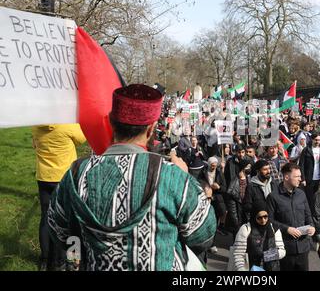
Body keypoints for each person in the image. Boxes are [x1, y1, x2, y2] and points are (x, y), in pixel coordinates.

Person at [47, 84, 216, 271]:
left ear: (111, 122)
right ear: (151, 129)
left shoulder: (76, 174)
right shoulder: (172, 176)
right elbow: (203, 236)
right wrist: (186, 181)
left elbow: (59, 232)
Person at [32, 124, 86, 271]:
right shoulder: (67, 126)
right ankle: (65, 261)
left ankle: (45, 260)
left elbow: (34, 145)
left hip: (44, 178)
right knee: (68, 219)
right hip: (64, 178)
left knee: (45, 217)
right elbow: (82, 138)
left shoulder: (36, 126)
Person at [267, 163, 315, 271]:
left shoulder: (301, 194)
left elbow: (308, 215)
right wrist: (287, 229)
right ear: (286, 177)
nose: (300, 179)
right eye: (297, 176)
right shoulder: (273, 197)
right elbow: (269, 221)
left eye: (300, 176)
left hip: (303, 248)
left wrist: (312, 226)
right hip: (285, 249)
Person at [232, 202, 286, 271]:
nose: (263, 220)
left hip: (272, 268)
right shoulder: (246, 229)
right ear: (254, 217)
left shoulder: (274, 228)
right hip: (251, 268)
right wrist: (242, 269)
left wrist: (266, 255)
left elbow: (282, 251)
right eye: (259, 218)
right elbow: (238, 254)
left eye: (265, 217)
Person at [198, 156, 227, 238]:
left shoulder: (219, 173)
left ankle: (220, 227)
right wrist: (205, 186)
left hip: (217, 196)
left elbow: (224, 187)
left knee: (222, 212)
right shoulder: (203, 172)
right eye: (212, 165)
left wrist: (218, 187)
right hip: (207, 196)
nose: (213, 167)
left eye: (215, 165)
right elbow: (198, 182)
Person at [225, 158, 253, 237]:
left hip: (247, 212)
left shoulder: (249, 179)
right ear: (243, 168)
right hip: (238, 213)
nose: (249, 169)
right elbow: (232, 205)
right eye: (248, 167)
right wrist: (235, 220)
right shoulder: (234, 182)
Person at [299, 132, 320, 212]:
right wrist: (303, 179)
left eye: (319, 140)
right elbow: (301, 165)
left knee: (318, 198)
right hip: (309, 179)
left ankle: (317, 212)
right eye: (316, 140)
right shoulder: (306, 150)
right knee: (309, 198)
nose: (317, 142)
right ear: (312, 140)